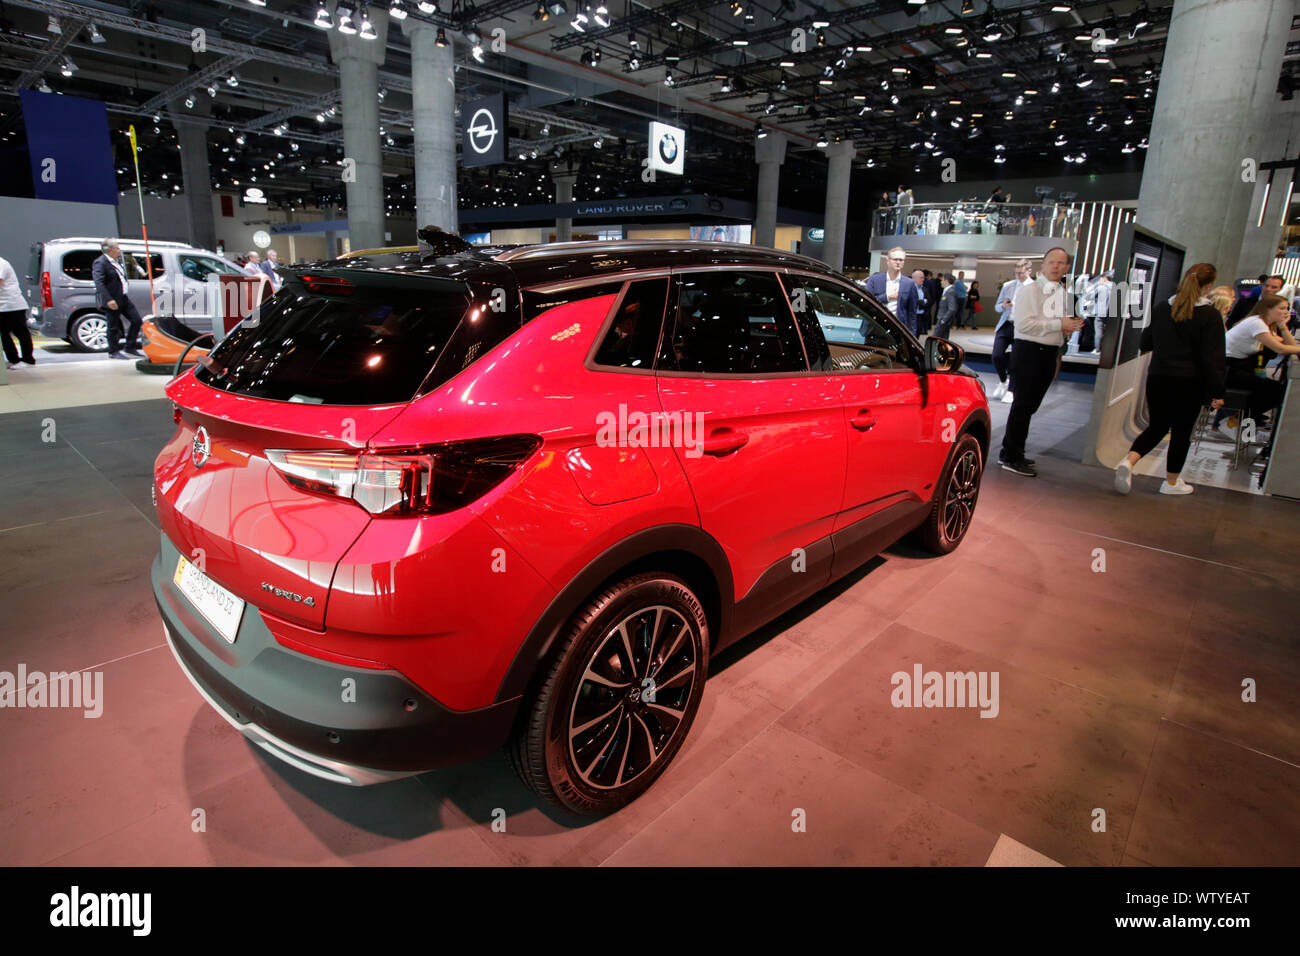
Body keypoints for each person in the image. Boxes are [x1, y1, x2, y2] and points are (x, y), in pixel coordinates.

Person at [1114, 263, 1225, 497]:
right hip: (1189, 382)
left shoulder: (1163, 307)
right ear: (1208, 285)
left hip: (1158, 376)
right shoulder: (1210, 315)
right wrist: (1217, 391)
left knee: (1157, 426)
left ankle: (1129, 461)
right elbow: (1212, 358)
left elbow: (1146, 342)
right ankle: (1172, 483)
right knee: (1181, 432)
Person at [999, 247, 1085, 476]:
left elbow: (1060, 323)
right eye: (1051, 262)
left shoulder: (1062, 293)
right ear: (1043, 266)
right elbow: (1024, 325)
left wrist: (1069, 327)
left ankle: (1011, 451)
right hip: (1028, 352)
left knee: (1029, 406)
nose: (1056, 266)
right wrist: (1060, 325)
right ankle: (1011, 455)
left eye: (1061, 263)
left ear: (1067, 268)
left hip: (1049, 353)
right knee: (1022, 406)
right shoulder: (1030, 291)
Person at [1222, 292, 1300, 459]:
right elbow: (1281, 349)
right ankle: (1239, 423)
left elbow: (1288, 344)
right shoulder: (1256, 323)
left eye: (1287, 309)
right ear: (1268, 309)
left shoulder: (1264, 324)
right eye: (1281, 308)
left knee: (1268, 391)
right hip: (1227, 371)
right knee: (1275, 391)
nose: (1286, 312)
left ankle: (1243, 425)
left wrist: (1283, 327)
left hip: (1237, 368)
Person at [91, 238, 143, 360]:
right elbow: (99, 283)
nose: (119, 250)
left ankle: (130, 346)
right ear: (110, 250)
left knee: (136, 320)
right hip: (112, 299)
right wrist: (108, 299)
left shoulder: (115, 261)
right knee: (113, 326)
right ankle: (113, 351)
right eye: (117, 248)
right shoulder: (101, 262)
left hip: (122, 297)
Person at [991, 258, 1032, 402]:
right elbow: (996, 307)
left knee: (1016, 359)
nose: (1018, 276)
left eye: (1021, 273)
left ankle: (1011, 390)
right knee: (996, 355)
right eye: (1016, 273)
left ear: (1029, 271)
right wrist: (1003, 306)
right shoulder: (1008, 286)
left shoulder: (1035, 288)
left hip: (1022, 327)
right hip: (1006, 324)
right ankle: (1003, 381)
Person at [863, 247, 921, 334]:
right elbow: (866, 303)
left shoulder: (909, 284)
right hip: (875, 327)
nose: (898, 262)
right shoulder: (874, 280)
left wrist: (912, 335)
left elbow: (912, 313)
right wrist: (887, 297)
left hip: (898, 331)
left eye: (901, 260)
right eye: (895, 259)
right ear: (887, 260)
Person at [0, 254, 35, 369]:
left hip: (12, 305)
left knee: (21, 333)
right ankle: (14, 359)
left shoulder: (2, 263)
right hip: (2, 306)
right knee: (4, 335)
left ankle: (28, 360)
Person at [933, 273, 960, 339]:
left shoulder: (950, 292)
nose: (941, 282)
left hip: (943, 320)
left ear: (946, 281)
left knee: (934, 339)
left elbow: (952, 308)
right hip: (943, 320)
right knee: (943, 339)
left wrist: (943, 320)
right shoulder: (947, 291)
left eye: (942, 280)